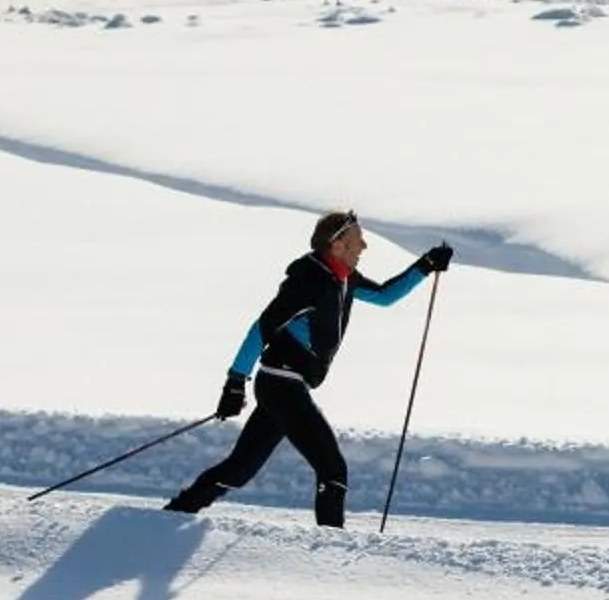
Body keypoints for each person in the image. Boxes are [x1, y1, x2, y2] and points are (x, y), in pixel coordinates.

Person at [165, 210, 451, 528]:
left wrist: (426, 265)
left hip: (285, 386)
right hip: (281, 384)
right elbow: (263, 327)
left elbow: (385, 296)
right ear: (337, 244)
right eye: (358, 240)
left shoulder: (343, 279)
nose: (364, 246)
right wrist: (235, 382)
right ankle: (330, 549)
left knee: (238, 470)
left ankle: (176, 512)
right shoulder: (309, 281)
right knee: (333, 469)